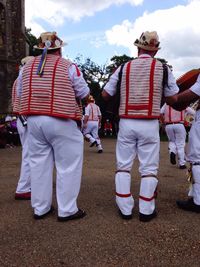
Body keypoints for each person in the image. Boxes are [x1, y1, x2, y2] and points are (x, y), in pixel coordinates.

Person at [102, 31, 181, 222]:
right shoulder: (163, 68)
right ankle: (146, 210)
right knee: (149, 168)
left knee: (123, 166)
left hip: (127, 121)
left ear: (138, 47)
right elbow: (173, 98)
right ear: (155, 50)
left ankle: (125, 209)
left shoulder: (123, 67)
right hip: (150, 122)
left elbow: (105, 94)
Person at [17, 31, 90, 220]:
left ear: (40, 48)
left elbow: (20, 92)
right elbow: (83, 92)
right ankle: (67, 209)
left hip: (33, 121)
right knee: (68, 165)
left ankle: (40, 208)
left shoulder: (25, 68)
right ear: (59, 49)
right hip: (61, 119)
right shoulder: (68, 66)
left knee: (38, 164)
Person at [12, 56, 34, 200]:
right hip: (26, 118)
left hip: (20, 118)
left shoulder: (17, 80)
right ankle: (23, 188)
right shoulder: (26, 78)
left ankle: (30, 184)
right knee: (29, 153)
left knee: (28, 152)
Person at [160, 103, 195, 169]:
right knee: (180, 144)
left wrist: (163, 122)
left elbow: (160, 112)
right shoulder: (182, 103)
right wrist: (187, 117)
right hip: (179, 124)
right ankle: (182, 164)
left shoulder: (167, 103)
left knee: (172, 141)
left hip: (168, 125)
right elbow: (193, 112)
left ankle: (172, 152)